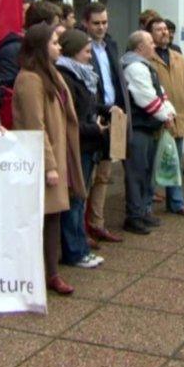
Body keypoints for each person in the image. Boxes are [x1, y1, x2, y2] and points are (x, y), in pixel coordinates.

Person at [13, 23, 85, 295]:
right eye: (54, 42)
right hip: (45, 160)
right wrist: (50, 165)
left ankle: (51, 273)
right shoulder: (30, 78)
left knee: (53, 216)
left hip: (59, 152)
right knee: (42, 217)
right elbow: (35, 126)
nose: (59, 46)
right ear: (41, 47)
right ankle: (40, 274)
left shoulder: (51, 72)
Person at [56, 29, 107, 269]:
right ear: (75, 52)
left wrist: (105, 110)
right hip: (79, 147)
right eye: (87, 52)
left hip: (88, 145)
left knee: (79, 199)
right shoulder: (67, 77)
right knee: (75, 200)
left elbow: (89, 105)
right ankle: (74, 252)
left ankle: (79, 248)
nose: (90, 56)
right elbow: (71, 120)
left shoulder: (82, 74)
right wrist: (94, 128)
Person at [121, 30, 176, 234]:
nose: (154, 46)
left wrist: (169, 112)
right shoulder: (134, 66)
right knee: (137, 172)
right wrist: (166, 116)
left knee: (145, 171)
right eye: (150, 43)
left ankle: (143, 211)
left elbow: (160, 93)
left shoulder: (145, 65)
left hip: (147, 126)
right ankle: (134, 216)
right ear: (139, 47)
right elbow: (145, 97)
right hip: (138, 127)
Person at [81, 2, 128, 243]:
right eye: (96, 23)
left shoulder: (111, 44)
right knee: (86, 178)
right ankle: (81, 229)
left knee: (105, 175)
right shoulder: (81, 47)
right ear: (86, 23)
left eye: (104, 22)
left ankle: (97, 224)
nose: (101, 27)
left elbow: (115, 78)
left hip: (115, 115)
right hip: (93, 116)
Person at [148, 17, 184, 217]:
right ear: (150, 34)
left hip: (178, 117)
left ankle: (176, 202)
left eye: (166, 29)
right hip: (156, 119)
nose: (164, 32)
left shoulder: (178, 57)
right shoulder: (146, 58)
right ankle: (146, 205)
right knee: (152, 163)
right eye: (159, 30)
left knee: (175, 163)